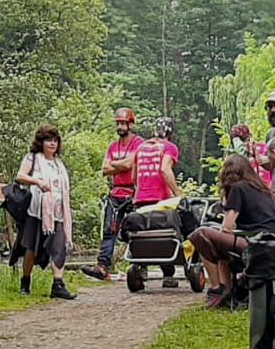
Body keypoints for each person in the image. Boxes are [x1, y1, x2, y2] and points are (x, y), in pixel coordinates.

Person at [188, 154, 275, 301]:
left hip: (253, 243)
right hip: (270, 241)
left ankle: (216, 289)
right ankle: (226, 289)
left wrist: (226, 199)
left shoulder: (238, 188)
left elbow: (227, 227)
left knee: (199, 235)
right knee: (216, 240)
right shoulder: (260, 187)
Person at [15, 124, 78, 300]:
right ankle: (25, 282)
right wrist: (37, 182)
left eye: (55, 140)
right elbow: (20, 176)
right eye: (48, 140)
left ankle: (58, 284)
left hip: (58, 213)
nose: (52, 144)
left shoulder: (58, 163)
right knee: (31, 249)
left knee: (59, 247)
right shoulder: (33, 158)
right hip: (37, 212)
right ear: (41, 142)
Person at [88, 107, 143, 281]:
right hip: (115, 193)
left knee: (135, 231)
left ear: (130, 124)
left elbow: (129, 165)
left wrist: (117, 165)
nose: (120, 126)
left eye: (123, 123)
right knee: (108, 230)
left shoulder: (139, 143)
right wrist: (123, 164)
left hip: (133, 193)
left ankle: (139, 265)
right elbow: (105, 169)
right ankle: (102, 266)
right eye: (118, 123)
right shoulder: (113, 146)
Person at [132, 117, 182, 207]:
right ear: (170, 133)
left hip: (140, 199)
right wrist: (178, 195)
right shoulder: (169, 147)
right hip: (160, 200)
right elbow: (165, 170)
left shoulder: (140, 148)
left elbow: (134, 178)